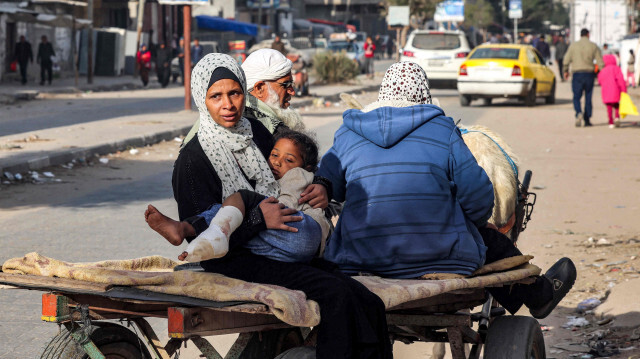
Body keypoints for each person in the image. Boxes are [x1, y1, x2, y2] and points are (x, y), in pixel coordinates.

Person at [171, 52, 392, 359]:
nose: (228, 105)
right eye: (216, 96)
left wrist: (321, 186)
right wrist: (258, 221)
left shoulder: (255, 131)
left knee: (370, 303)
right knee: (336, 296)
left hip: (281, 244)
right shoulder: (192, 159)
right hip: (237, 257)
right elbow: (202, 238)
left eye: (234, 93)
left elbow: (297, 163)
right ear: (201, 99)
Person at [317, 61, 577, 319]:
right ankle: (541, 296)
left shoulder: (348, 133)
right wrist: (469, 223)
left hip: (357, 259)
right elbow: (478, 199)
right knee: (492, 241)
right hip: (439, 259)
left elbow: (329, 188)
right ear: (423, 94)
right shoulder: (442, 130)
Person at [146, 129, 330, 263]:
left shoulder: (298, 175)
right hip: (283, 248)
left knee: (241, 199)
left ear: (307, 168)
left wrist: (260, 214)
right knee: (230, 222)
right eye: (274, 155)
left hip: (303, 231)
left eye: (289, 160)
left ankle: (187, 228)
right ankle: (199, 244)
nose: (277, 162)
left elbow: (284, 208)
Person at [181, 49, 304, 145]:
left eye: (234, 94)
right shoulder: (261, 128)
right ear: (259, 88)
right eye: (285, 85)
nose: (292, 91)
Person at [563, 28, 604, 127]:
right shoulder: (593, 46)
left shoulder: (573, 46)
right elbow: (600, 62)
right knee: (588, 97)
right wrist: (602, 73)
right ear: (588, 35)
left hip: (577, 74)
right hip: (589, 74)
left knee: (576, 96)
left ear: (580, 35)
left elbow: (566, 59)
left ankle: (578, 113)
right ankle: (587, 119)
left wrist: (565, 70)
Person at [598, 54, 627, 128]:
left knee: (609, 108)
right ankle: (617, 117)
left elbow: (600, 80)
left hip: (606, 91)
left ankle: (611, 122)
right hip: (616, 90)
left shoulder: (603, 70)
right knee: (617, 105)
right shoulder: (617, 69)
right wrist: (624, 90)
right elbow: (621, 80)